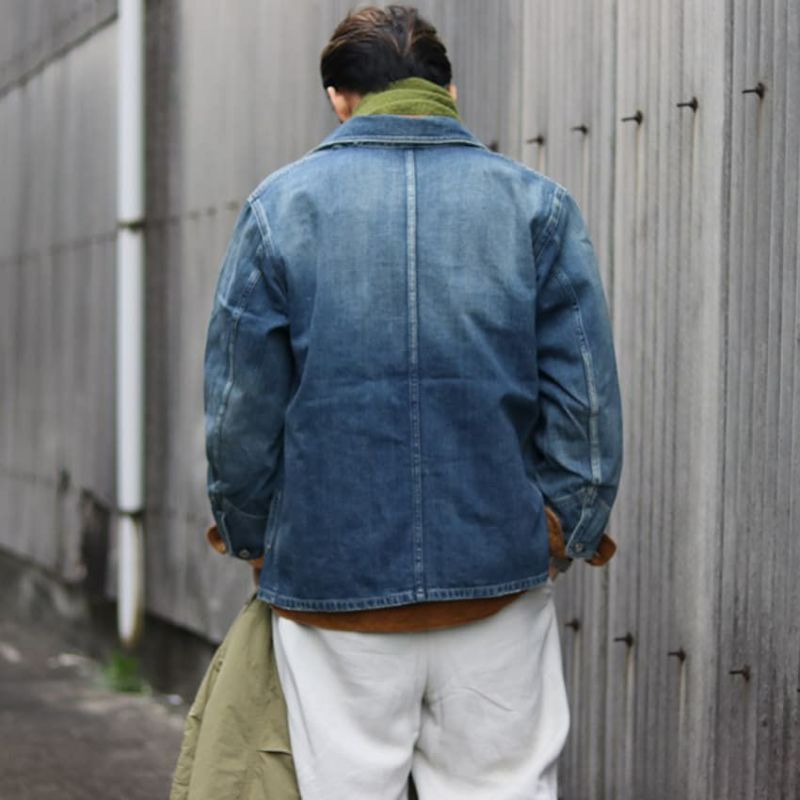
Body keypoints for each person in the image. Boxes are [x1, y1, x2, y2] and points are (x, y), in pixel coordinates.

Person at [202, 5, 623, 798]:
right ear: (448, 91)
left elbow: (239, 412)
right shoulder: (537, 208)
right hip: (497, 574)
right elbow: (587, 401)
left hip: (332, 585)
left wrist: (255, 536)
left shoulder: (277, 210)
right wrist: (560, 527)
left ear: (339, 98)